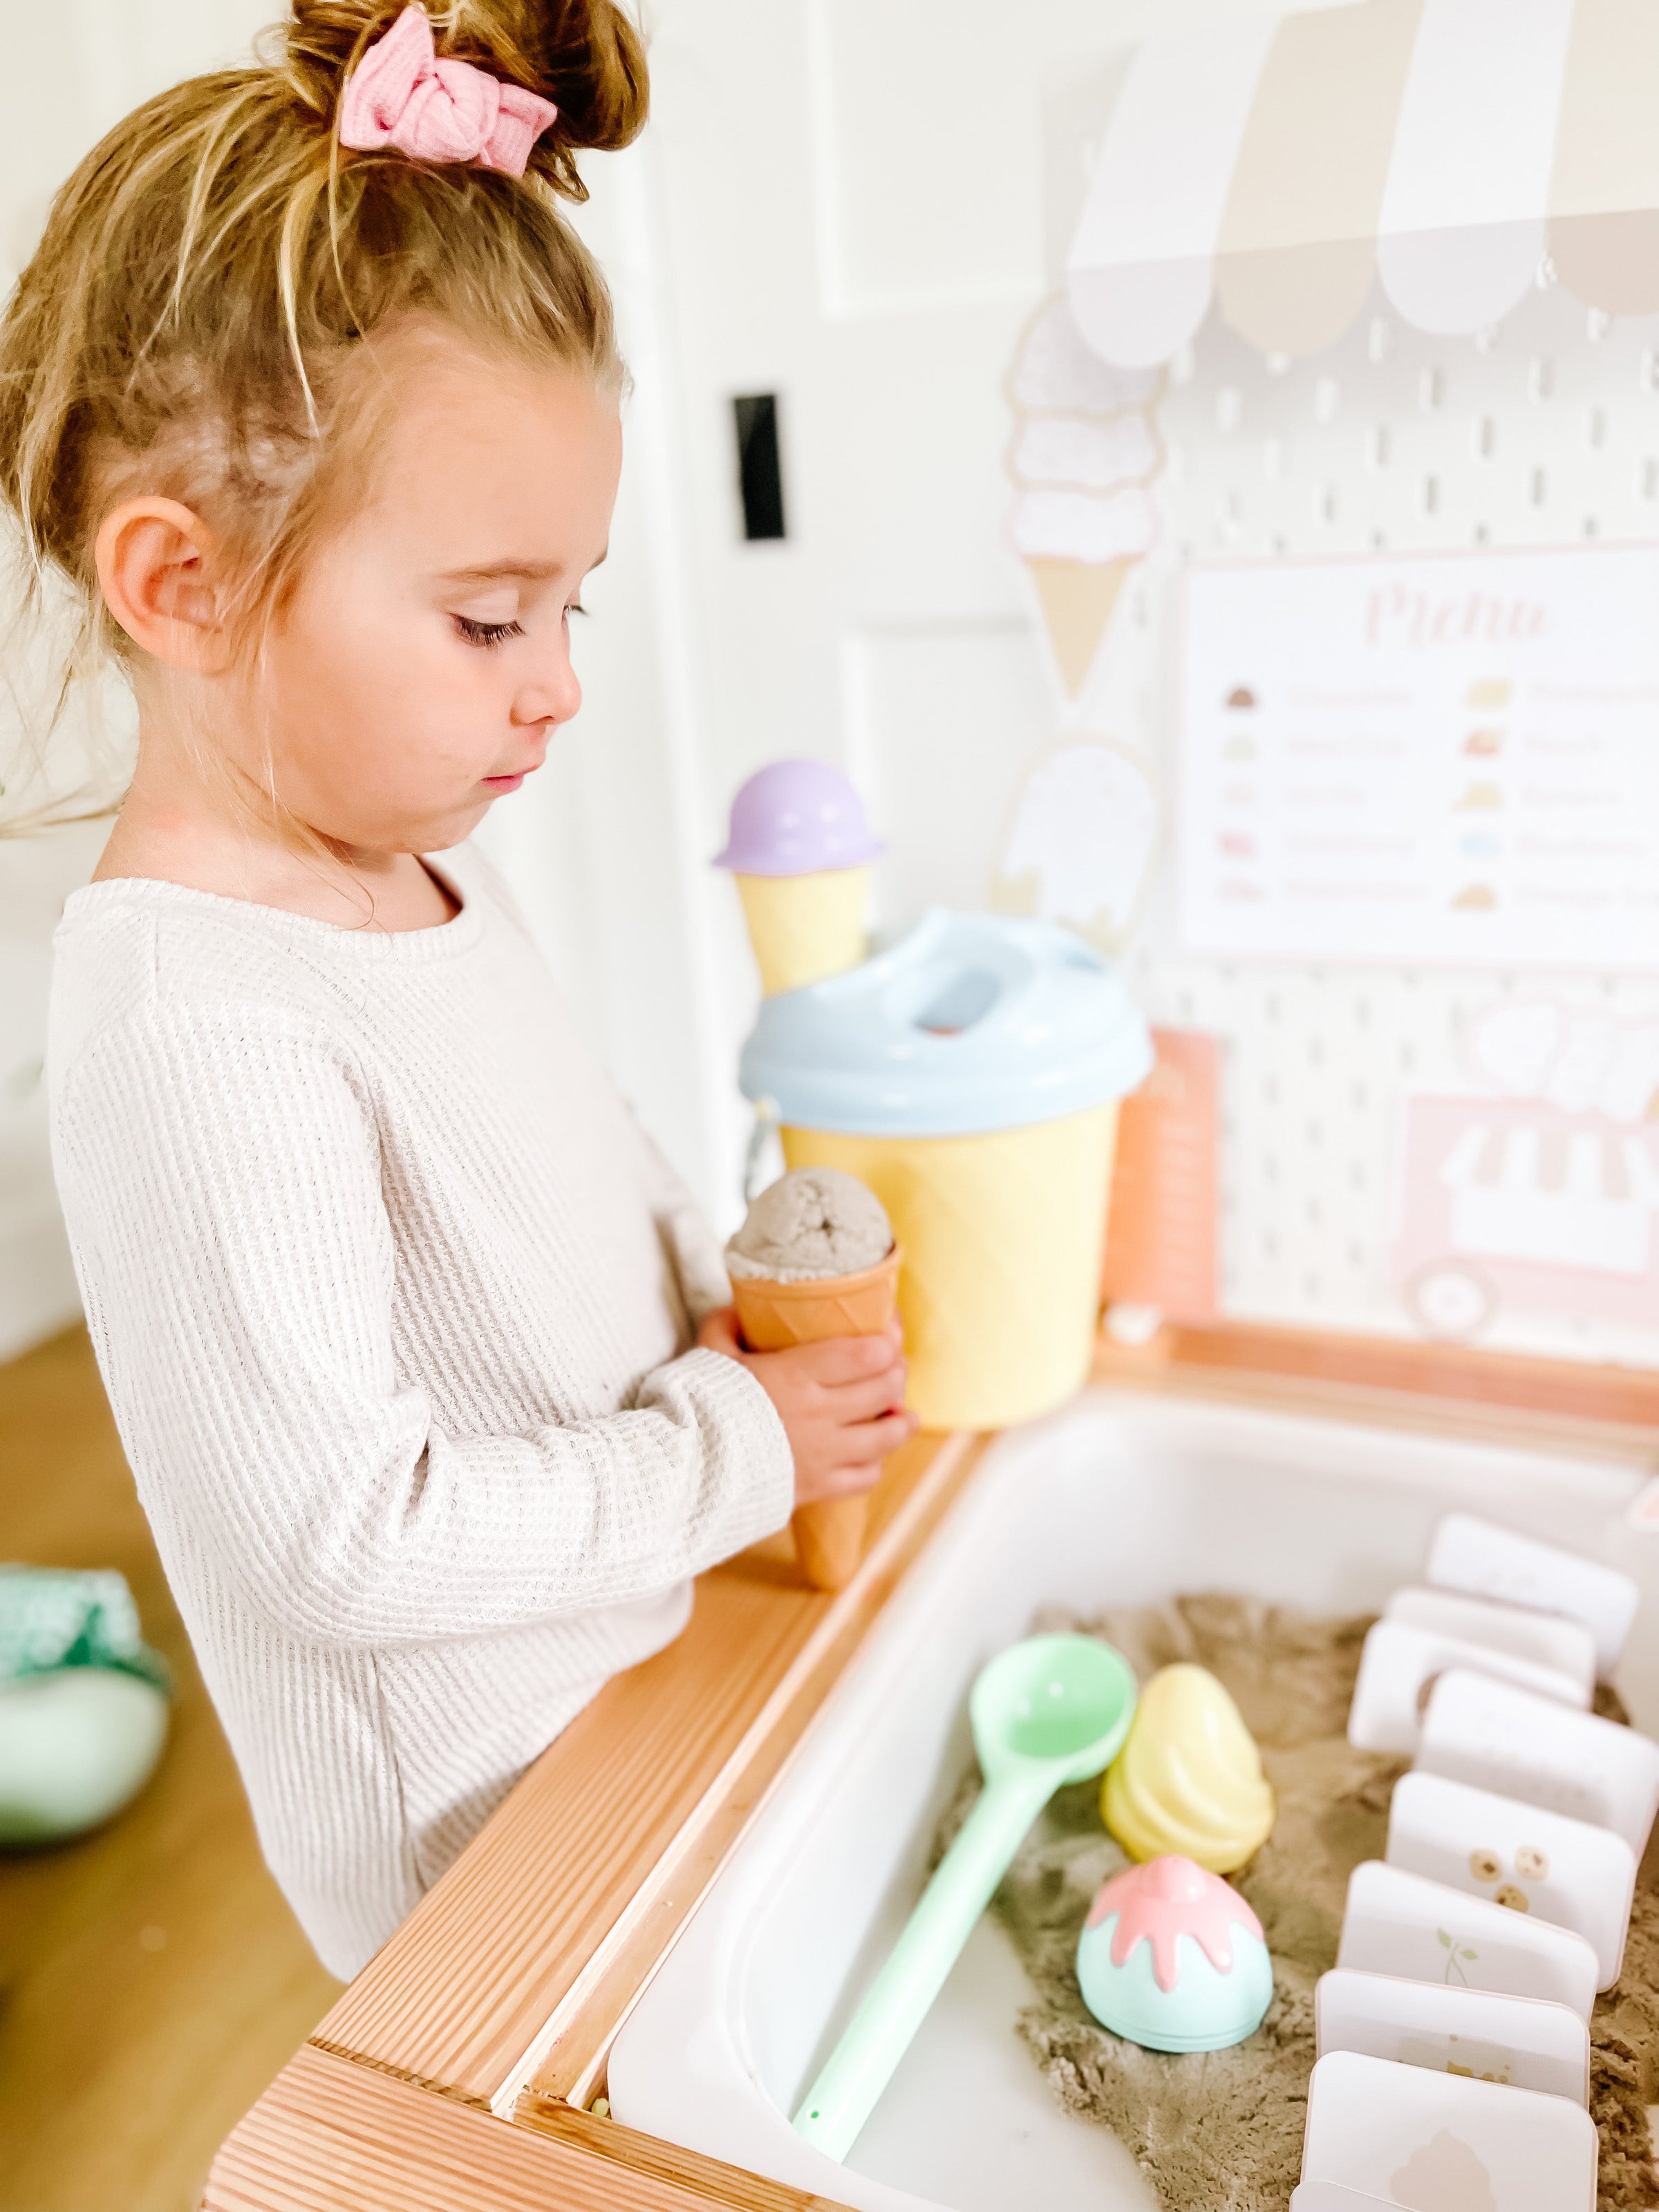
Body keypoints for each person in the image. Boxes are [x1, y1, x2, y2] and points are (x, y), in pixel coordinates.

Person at [5, 0, 915, 1980]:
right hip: (488, 1859)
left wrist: (714, 1283)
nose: (558, 680)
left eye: (568, 607)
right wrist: (736, 1450)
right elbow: (341, 1540)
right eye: (491, 616)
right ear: (183, 585)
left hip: (640, 1661)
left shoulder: (416, 858)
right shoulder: (195, 1027)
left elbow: (571, 1157)